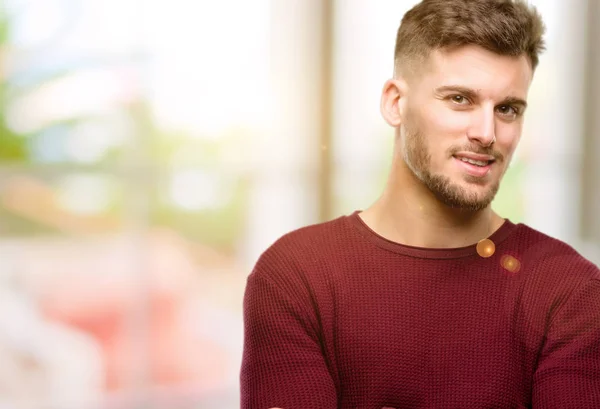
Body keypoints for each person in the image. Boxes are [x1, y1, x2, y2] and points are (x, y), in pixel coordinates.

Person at [240, 0, 600, 407]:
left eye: (507, 109)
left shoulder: (570, 292)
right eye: (460, 99)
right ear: (396, 103)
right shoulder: (295, 275)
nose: (487, 133)